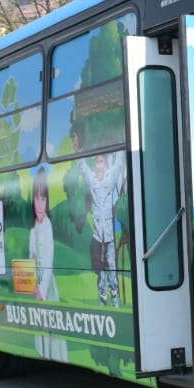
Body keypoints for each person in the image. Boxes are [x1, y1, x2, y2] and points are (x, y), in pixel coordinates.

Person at [77, 152, 127, 306]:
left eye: (101, 162)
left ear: (105, 165)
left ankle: (115, 299)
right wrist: (79, 153)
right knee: (101, 271)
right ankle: (103, 299)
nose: (99, 165)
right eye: (97, 162)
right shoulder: (92, 181)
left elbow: (118, 164)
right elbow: (83, 167)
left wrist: (120, 149)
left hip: (110, 238)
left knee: (112, 269)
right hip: (98, 238)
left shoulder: (109, 179)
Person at [29, 166, 68, 362]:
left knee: (50, 326)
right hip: (36, 284)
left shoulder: (48, 226)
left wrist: (41, 290)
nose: (40, 205)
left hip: (46, 287)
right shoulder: (33, 229)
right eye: (37, 198)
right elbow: (32, 258)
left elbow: (49, 262)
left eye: (43, 199)